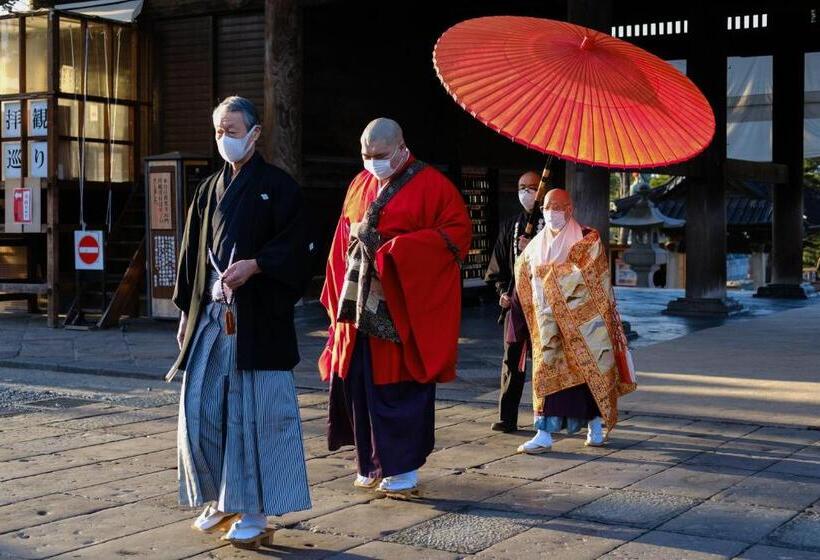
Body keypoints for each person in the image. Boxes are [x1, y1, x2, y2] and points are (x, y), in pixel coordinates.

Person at [168, 96, 312, 544]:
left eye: (231, 130)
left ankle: (255, 510)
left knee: (255, 415)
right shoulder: (207, 189)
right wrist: (186, 316)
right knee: (202, 409)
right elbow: (192, 257)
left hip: (257, 321)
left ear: (255, 133)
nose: (223, 138)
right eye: (218, 131)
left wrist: (258, 264)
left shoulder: (280, 186)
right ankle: (222, 497)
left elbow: (299, 247)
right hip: (212, 314)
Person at [319, 117, 471, 496]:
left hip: (401, 308)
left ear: (402, 148)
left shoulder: (435, 187)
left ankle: (402, 470)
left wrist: (396, 250)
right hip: (357, 305)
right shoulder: (359, 183)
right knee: (358, 384)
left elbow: (456, 237)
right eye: (366, 155)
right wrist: (339, 290)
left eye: (380, 155)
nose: (372, 162)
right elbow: (342, 240)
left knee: (397, 387)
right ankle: (369, 463)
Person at [510, 188, 637, 453]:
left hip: (584, 326)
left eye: (557, 206)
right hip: (548, 325)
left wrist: (547, 273)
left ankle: (596, 427)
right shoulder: (536, 243)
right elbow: (524, 275)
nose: (551, 211)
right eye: (546, 206)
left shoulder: (588, 239)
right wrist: (523, 257)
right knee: (547, 375)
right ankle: (543, 432)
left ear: (569, 209)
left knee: (589, 375)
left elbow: (588, 275)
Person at [485, 171, 544, 433]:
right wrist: (502, 291)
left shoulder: (552, 227)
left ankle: (548, 417)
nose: (526, 193)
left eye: (531, 188)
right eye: (521, 187)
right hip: (517, 302)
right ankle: (507, 417)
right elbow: (498, 266)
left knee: (547, 360)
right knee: (512, 359)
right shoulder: (512, 225)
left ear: (542, 190)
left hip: (545, 303)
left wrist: (533, 247)